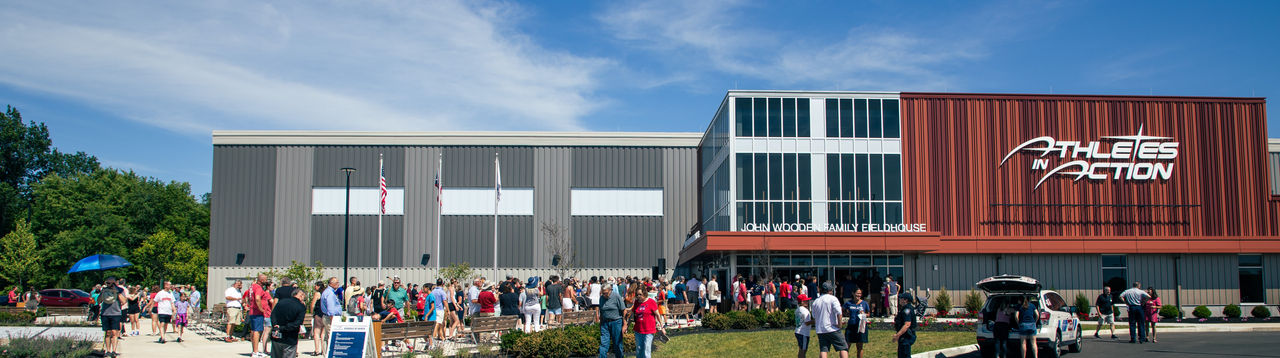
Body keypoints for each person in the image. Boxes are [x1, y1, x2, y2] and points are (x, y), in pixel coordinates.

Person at [811, 282, 848, 358]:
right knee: (843, 347)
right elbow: (839, 312)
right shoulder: (833, 299)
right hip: (832, 328)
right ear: (830, 290)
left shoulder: (816, 301)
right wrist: (840, 325)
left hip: (821, 329)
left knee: (824, 349)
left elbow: (814, 316)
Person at [269, 285, 306, 358]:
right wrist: (283, 328)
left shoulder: (281, 302)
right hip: (290, 337)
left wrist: (275, 326)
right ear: (301, 296)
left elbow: (273, 315)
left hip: (276, 335)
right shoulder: (300, 306)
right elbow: (297, 323)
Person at [629, 283, 663, 358]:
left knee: (646, 351)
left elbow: (657, 315)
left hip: (649, 330)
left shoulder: (651, 302)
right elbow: (632, 311)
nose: (638, 296)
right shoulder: (637, 302)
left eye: (640, 294)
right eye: (637, 295)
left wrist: (662, 327)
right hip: (638, 330)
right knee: (639, 349)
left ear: (644, 293)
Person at [247, 274, 274, 358]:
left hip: (252, 311)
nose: (266, 282)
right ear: (262, 280)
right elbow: (257, 298)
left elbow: (248, 298)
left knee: (254, 330)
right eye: (265, 280)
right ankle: (255, 352)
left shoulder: (252, 287)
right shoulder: (258, 288)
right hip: (257, 312)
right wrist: (261, 308)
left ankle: (255, 350)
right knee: (257, 331)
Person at [596, 284, 627, 358]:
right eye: (602, 293)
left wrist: (625, 324)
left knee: (617, 343)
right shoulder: (601, 298)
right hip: (605, 323)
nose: (604, 295)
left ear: (610, 290)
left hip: (616, 322)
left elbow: (624, 310)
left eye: (605, 293)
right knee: (604, 343)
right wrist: (600, 324)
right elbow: (601, 311)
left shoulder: (616, 296)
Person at [99, 277, 126, 358]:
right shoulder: (104, 290)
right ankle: (108, 350)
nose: (110, 285)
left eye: (113, 283)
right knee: (107, 333)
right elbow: (99, 301)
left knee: (114, 332)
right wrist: (102, 293)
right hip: (105, 313)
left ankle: (114, 350)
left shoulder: (120, 290)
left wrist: (117, 292)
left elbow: (124, 301)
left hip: (116, 313)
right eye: (108, 283)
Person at [844, 288, 870, 358]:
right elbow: (843, 311)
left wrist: (864, 314)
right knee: (846, 345)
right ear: (853, 293)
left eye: (860, 294)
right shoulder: (849, 303)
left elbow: (868, 313)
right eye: (857, 293)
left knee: (859, 346)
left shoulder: (864, 303)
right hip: (851, 325)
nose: (858, 295)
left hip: (861, 326)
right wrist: (846, 313)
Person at [891, 293, 917, 358]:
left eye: (901, 298)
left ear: (905, 300)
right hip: (904, 337)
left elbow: (907, 324)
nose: (899, 299)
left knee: (904, 355)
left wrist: (897, 335)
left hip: (906, 337)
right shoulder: (905, 308)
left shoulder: (907, 310)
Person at [308, 282, 327, 356]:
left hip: (318, 313)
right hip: (325, 314)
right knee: (323, 333)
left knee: (316, 332)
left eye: (315, 286)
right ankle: (323, 350)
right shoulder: (325, 293)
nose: (314, 287)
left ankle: (316, 350)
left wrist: (312, 313)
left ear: (318, 286)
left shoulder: (317, 294)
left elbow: (312, 304)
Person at [794, 294, 813, 358]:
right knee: (803, 350)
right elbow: (807, 322)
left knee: (801, 349)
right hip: (803, 332)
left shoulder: (797, 310)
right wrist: (816, 321)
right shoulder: (805, 311)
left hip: (798, 331)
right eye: (806, 301)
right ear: (802, 302)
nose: (807, 302)